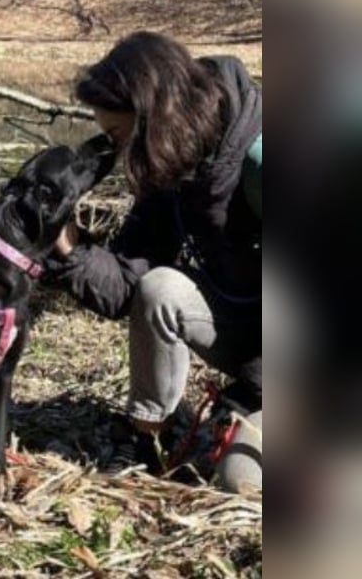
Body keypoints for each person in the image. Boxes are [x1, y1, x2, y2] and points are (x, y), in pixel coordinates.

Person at [49, 32, 261, 492]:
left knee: (239, 483)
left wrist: (249, 393)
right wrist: (71, 250)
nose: (116, 153)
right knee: (161, 287)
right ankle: (149, 438)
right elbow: (130, 286)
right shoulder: (176, 162)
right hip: (248, 330)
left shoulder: (265, 160)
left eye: (117, 136)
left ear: (153, 115)